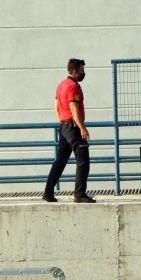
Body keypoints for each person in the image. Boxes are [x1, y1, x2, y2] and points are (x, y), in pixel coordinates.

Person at [43, 58, 95, 203]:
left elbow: (56, 106)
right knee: (83, 158)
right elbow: (74, 107)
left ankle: (48, 193)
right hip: (72, 126)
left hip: (64, 126)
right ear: (75, 71)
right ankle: (80, 194)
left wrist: (63, 121)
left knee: (60, 160)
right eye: (82, 70)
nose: (83, 72)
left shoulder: (61, 85)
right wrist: (82, 127)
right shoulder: (72, 86)